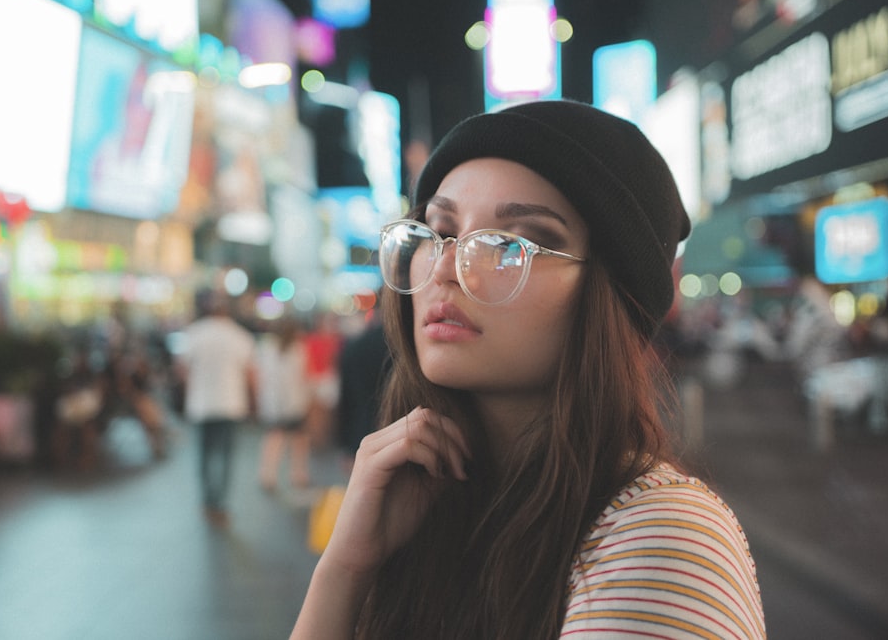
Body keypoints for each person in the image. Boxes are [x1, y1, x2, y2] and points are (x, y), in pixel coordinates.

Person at [290, 100, 765, 639]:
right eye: (439, 231)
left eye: (507, 244)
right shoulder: (432, 509)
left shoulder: (658, 538)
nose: (445, 268)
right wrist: (345, 568)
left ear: (607, 293)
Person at [177, 291, 256, 527]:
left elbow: (181, 368)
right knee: (224, 455)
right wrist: (254, 401)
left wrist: (192, 386)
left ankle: (207, 501)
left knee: (204, 454)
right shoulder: (240, 336)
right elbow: (251, 374)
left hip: (201, 404)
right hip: (230, 403)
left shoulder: (194, 333)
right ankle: (219, 503)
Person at [256, 316, 314, 491]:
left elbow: (259, 375)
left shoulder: (266, 348)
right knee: (299, 440)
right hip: (295, 401)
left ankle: (268, 475)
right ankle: (298, 474)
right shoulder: (299, 350)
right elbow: (305, 376)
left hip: (272, 403)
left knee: (273, 438)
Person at [334, 304, 392, 474]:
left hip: (359, 432)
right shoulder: (403, 346)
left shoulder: (354, 346)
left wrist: (345, 445)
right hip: (397, 430)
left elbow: (346, 399)